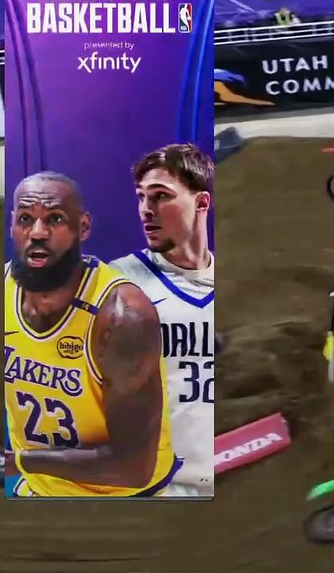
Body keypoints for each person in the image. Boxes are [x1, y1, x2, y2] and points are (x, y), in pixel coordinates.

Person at [4, 171, 180, 497]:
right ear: (13, 224)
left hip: (125, 498)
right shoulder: (0, 291)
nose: (37, 232)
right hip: (41, 486)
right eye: (26, 219)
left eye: (55, 218)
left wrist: (19, 461)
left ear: (83, 227)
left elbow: (133, 469)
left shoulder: (122, 318)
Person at [111, 144, 216, 497]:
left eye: (160, 196)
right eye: (141, 197)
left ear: (201, 203)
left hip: (229, 471)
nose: (146, 209)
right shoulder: (119, 282)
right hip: (160, 488)